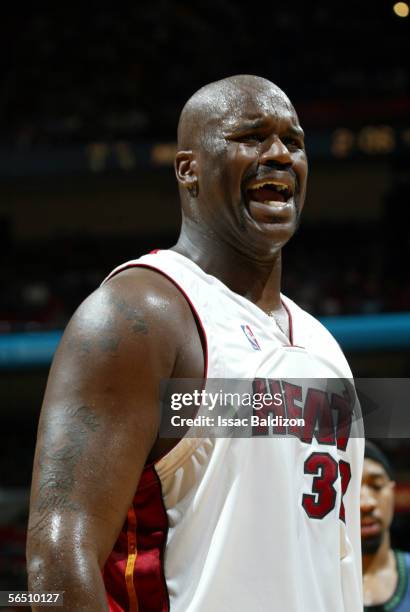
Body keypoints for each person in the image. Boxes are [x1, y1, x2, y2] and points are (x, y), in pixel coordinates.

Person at [27, 75, 364, 611]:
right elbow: (55, 565)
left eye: (293, 141)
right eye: (251, 137)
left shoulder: (324, 347)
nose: (279, 154)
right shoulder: (139, 313)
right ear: (189, 169)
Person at [361, 441, 410, 611]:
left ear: (393, 492)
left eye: (376, 485)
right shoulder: (314, 580)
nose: (366, 503)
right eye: (351, 489)